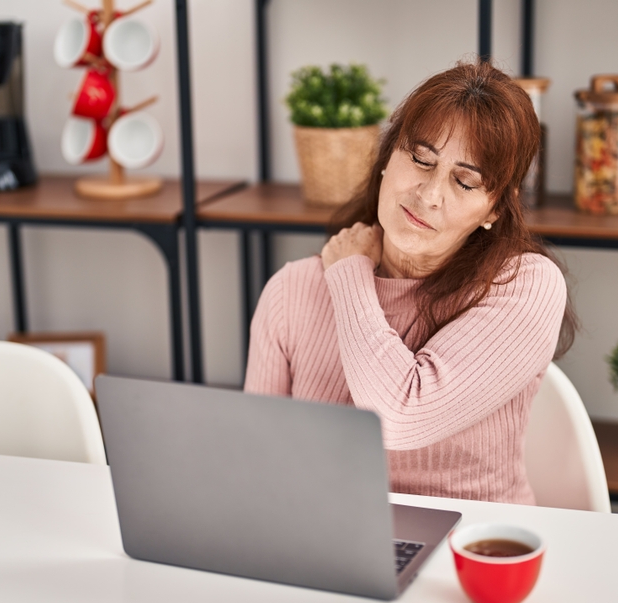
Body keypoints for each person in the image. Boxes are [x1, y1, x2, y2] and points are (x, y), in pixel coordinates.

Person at [244, 60, 576, 504]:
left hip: (473, 551)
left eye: (465, 181)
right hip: (326, 544)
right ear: (386, 161)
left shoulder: (525, 285)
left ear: (495, 210)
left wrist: (349, 276)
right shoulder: (293, 290)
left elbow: (398, 416)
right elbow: (257, 461)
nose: (429, 194)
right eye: (420, 160)